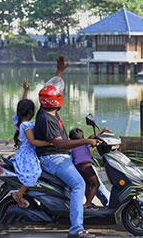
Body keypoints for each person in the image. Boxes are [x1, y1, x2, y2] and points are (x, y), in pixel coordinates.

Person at [34, 56, 98, 238]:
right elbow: (60, 143)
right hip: (54, 159)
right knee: (78, 184)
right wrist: (84, 141)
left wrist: (60, 71)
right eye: (59, 95)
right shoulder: (47, 119)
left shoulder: (46, 109)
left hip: (62, 156)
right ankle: (76, 229)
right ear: (57, 101)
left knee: (89, 174)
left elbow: (52, 90)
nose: (61, 95)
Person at [10, 79, 52, 208]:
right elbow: (32, 141)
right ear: (31, 113)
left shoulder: (18, 120)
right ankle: (19, 194)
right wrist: (49, 143)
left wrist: (26, 91)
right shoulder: (27, 125)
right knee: (34, 174)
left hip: (23, 151)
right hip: (27, 153)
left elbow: (22, 105)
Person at [69, 127, 109, 209]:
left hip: (78, 167)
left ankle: (88, 202)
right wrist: (103, 130)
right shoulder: (85, 142)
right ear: (82, 137)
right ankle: (88, 203)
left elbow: (92, 136)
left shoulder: (72, 145)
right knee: (96, 184)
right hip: (86, 166)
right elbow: (93, 136)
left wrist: (103, 130)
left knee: (87, 184)